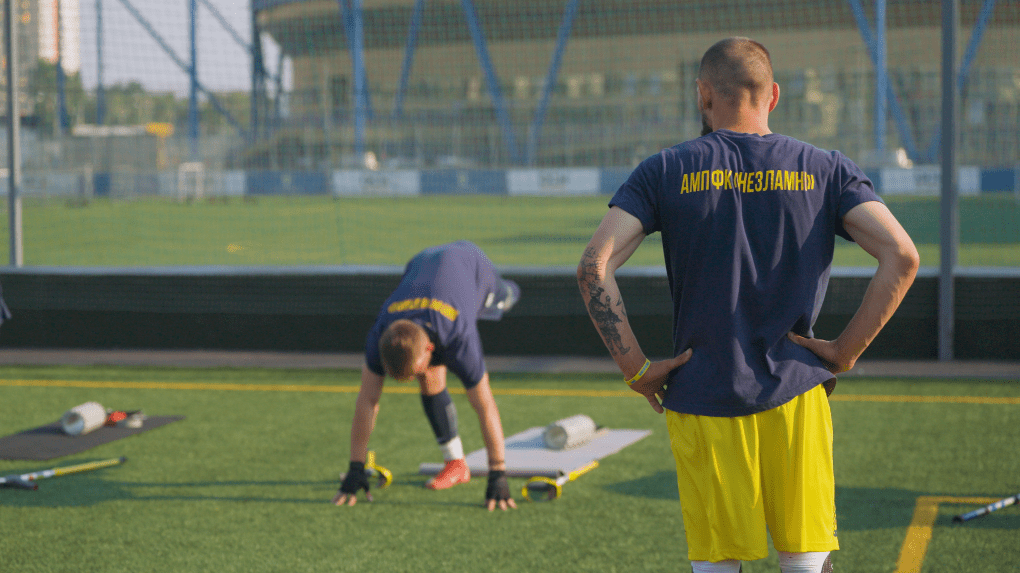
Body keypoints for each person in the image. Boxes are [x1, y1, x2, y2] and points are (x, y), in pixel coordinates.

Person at [577, 38, 918, 573]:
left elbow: (593, 266)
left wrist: (636, 368)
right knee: (806, 564)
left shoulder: (664, 169)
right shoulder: (825, 168)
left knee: (718, 566)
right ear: (774, 95)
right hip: (795, 394)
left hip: (703, 393)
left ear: (703, 95)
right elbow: (902, 255)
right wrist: (845, 352)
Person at [332, 240, 520, 511]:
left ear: (431, 348)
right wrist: (355, 468)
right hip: (420, 262)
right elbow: (367, 400)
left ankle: (510, 291)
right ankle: (456, 464)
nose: (411, 380)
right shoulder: (380, 335)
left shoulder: (460, 337)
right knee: (429, 377)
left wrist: (498, 475)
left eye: (414, 370)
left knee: (507, 296)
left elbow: (484, 404)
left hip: (472, 265)